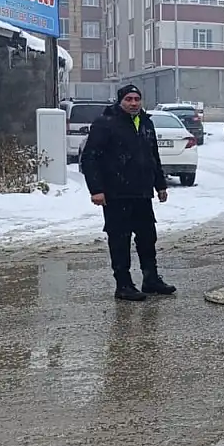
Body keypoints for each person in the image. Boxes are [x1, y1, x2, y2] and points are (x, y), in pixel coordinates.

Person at [81, 83, 176, 301]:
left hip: (142, 192)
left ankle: (150, 279)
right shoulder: (105, 123)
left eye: (136, 99)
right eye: (129, 99)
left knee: (147, 237)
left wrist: (160, 184)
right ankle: (123, 284)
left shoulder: (146, 122)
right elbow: (90, 157)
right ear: (120, 101)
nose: (133, 103)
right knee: (120, 239)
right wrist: (96, 189)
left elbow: (153, 155)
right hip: (116, 193)